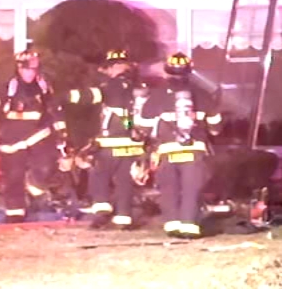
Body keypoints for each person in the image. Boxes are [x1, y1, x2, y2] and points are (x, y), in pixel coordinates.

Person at [137, 52, 223, 238]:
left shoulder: (156, 95)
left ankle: (172, 225)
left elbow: (142, 127)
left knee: (169, 188)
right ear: (189, 72)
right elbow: (216, 128)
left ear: (167, 72)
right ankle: (189, 226)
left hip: (167, 150)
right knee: (191, 189)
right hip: (194, 150)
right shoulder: (203, 95)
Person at [63, 49, 149, 229]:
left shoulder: (109, 86)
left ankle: (102, 212)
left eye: (111, 67)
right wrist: (132, 129)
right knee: (125, 182)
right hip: (132, 146)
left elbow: (86, 97)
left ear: (113, 68)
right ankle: (123, 219)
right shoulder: (139, 88)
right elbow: (133, 117)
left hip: (109, 145)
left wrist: (64, 96)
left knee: (99, 177)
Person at [0, 50, 67, 223]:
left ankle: (35, 184)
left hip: (38, 133)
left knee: (46, 164)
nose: (30, 73)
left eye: (33, 70)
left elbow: (54, 109)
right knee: (13, 176)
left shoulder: (44, 86)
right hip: (12, 138)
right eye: (27, 70)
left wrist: (61, 133)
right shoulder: (10, 86)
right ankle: (15, 213)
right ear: (19, 69)